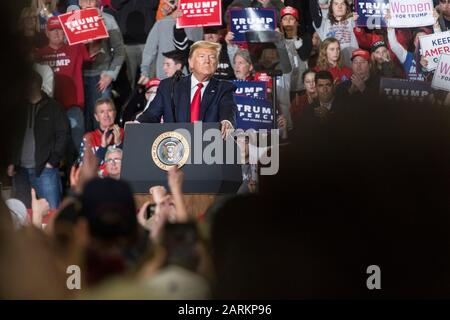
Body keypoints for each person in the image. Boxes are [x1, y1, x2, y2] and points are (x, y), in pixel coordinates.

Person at [136, 41, 237, 138]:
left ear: (217, 64)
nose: (207, 61)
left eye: (212, 57)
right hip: (174, 146)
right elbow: (152, 114)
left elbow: (228, 109)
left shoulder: (224, 88)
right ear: (191, 62)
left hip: (208, 147)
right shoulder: (169, 86)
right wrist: (137, 123)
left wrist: (226, 121)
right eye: (202, 57)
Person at [7, 71, 70, 209]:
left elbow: (63, 134)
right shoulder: (18, 108)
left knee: (51, 211)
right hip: (20, 172)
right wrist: (12, 161)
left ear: (35, 85)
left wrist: (53, 161)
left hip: (45, 170)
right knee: (22, 215)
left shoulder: (54, 107)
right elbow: (12, 137)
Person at [35, 16, 93, 150]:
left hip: (73, 105)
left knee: (78, 143)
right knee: (51, 144)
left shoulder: (76, 48)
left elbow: (94, 52)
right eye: (53, 30)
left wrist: (93, 36)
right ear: (47, 33)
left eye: (60, 30)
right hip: (48, 107)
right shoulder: (39, 55)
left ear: (65, 32)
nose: (56, 33)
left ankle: (79, 169)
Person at [79, 0, 126, 132]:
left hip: (101, 77)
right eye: (84, 0)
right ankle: (86, 150)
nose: (88, 3)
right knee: (83, 119)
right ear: (79, 2)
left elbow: (119, 51)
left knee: (103, 118)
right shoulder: (72, 20)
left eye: (91, 0)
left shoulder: (108, 20)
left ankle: (106, 149)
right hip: (78, 77)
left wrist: (111, 74)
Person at [139, 0, 203, 82]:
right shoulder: (162, 23)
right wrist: (145, 71)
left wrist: (145, 71)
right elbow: (149, 50)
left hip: (188, 76)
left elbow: (199, 50)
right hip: (166, 75)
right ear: (175, 3)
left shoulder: (196, 24)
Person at [110, 0, 159, 90]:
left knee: (150, 82)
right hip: (126, 43)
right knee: (128, 84)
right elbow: (115, 4)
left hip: (148, 43)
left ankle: (151, 103)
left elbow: (153, 3)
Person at [78, 98, 124, 175]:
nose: (106, 115)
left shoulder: (126, 133)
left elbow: (132, 165)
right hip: (98, 183)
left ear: (115, 114)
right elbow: (85, 169)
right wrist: (102, 147)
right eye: (102, 112)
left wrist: (119, 144)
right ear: (96, 117)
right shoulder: (89, 138)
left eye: (109, 111)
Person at [310, 0, 358, 67]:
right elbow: (314, 11)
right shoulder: (323, 24)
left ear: (347, 7)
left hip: (352, 66)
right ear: (331, 8)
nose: (340, 6)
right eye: (336, 4)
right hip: (331, 67)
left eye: (343, 4)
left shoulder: (353, 20)